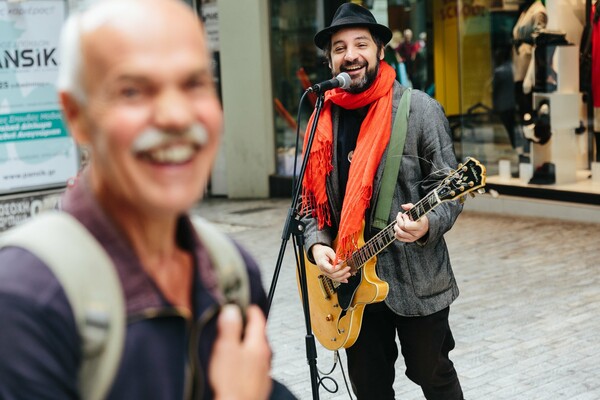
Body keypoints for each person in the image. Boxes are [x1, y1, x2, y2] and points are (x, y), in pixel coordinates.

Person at [0, 0, 294, 399]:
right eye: (133, 91)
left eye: (194, 83)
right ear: (76, 115)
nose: (175, 116)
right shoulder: (23, 302)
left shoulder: (231, 271)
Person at [301, 3, 464, 399]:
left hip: (417, 279)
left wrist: (427, 224)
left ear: (379, 52)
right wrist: (317, 244)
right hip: (353, 287)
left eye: (360, 43)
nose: (350, 54)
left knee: (433, 375)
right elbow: (308, 206)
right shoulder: (322, 120)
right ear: (330, 61)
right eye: (339, 48)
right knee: (370, 388)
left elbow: (450, 187)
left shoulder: (419, 109)